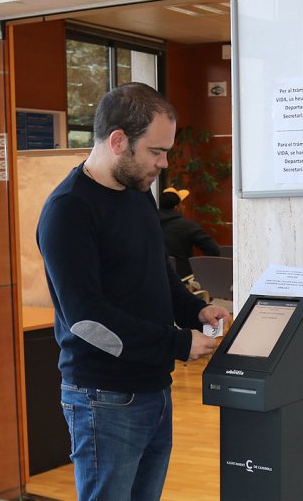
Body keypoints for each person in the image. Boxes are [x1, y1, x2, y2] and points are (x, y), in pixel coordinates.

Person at [36, 82, 231, 501]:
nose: (162, 164)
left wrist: (196, 311)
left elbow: (158, 274)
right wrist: (179, 342)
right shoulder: (68, 210)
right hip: (103, 398)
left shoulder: (138, 194)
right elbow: (87, 320)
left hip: (152, 387)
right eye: (155, 152)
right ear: (118, 141)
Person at [158, 186, 221, 278]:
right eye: (182, 204)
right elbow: (214, 250)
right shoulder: (187, 226)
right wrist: (199, 272)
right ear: (176, 208)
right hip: (184, 281)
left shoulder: (148, 224)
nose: (184, 207)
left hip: (155, 279)